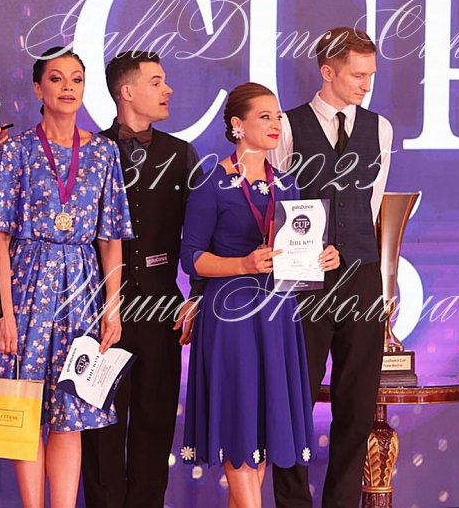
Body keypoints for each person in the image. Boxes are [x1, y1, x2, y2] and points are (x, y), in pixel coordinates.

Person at [0, 46, 133, 508]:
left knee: (71, 413)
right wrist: (2, 312)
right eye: (56, 78)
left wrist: (112, 309)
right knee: (24, 408)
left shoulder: (104, 152)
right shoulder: (16, 151)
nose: (68, 88)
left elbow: (111, 238)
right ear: (37, 88)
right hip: (26, 284)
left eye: (76, 79)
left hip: (82, 292)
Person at [180, 83, 340, 508]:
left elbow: (294, 250)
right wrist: (243, 264)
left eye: (278, 117)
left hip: (278, 315)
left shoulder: (287, 184)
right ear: (238, 124)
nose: (275, 125)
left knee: (260, 432)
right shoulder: (212, 183)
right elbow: (191, 258)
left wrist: (322, 256)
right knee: (239, 423)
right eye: (264, 116)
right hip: (230, 315)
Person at [270, 27, 393, 508]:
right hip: (304, 279)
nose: (367, 84)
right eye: (358, 75)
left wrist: (349, 247)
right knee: (295, 398)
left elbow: (371, 203)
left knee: (357, 402)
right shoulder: (288, 126)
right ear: (328, 72)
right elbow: (276, 202)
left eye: (371, 74)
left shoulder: (380, 129)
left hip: (361, 277)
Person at [81, 50, 203, 508]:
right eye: (156, 82)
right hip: (98, 313)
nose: (167, 89)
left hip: (161, 311)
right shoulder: (90, 151)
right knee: (100, 429)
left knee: (155, 426)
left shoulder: (181, 154)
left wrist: (198, 295)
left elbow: (201, 232)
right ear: (126, 91)